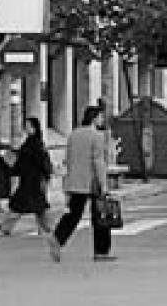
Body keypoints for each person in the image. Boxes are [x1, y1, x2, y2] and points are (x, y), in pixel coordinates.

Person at [46, 106, 114, 263]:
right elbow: (98, 161)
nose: (102, 120)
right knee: (100, 216)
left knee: (73, 214)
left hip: (75, 181)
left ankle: (58, 237)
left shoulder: (73, 134)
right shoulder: (97, 136)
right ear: (94, 118)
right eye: (100, 117)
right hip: (92, 181)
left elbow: (68, 159)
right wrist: (104, 184)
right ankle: (101, 251)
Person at [0, 117, 53, 236]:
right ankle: (46, 228)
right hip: (28, 179)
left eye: (28, 126)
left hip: (33, 179)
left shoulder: (35, 144)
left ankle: (6, 226)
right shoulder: (30, 142)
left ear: (34, 128)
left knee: (24, 205)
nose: (26, 128)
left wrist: (46, 175)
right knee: (36, 206)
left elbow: (41, 162)